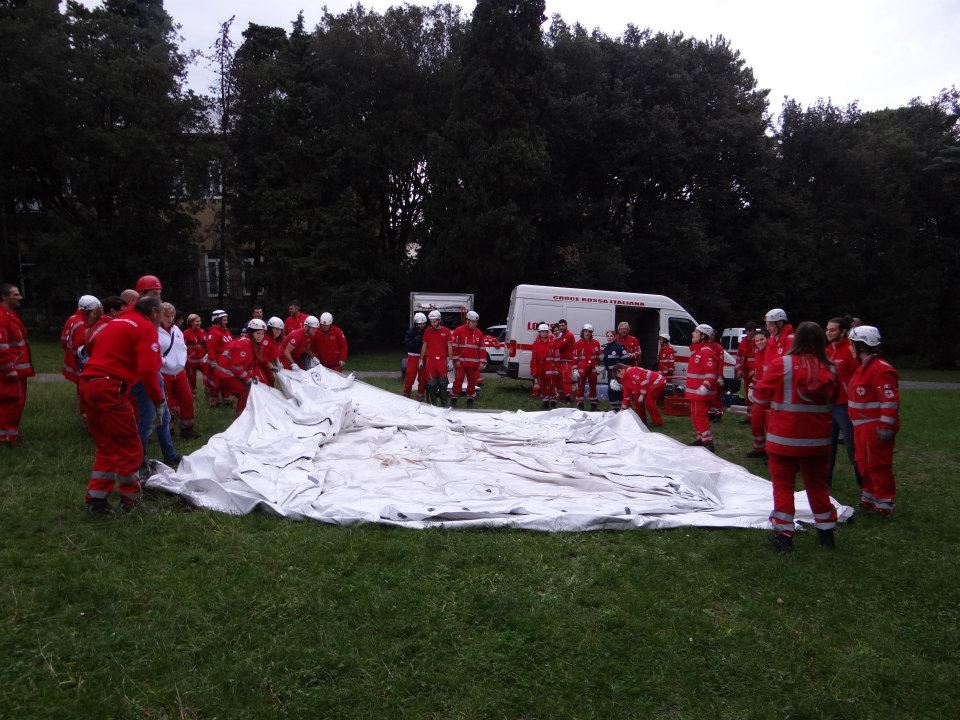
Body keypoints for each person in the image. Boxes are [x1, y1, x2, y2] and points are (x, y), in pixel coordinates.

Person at [753, 321, 838, 552]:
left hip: (784, 438)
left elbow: (761, 394)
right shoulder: (830, 367)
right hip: (818, 440)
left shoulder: (784, 364)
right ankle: (826, 532)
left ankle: (784, 536)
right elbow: (838, 399)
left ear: (797, 340)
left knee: (783, 486)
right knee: (818, 486)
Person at [79, 295, 164, 513]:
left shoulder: (115, 322)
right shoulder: (144, 327)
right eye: (161, 313)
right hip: (110, 387)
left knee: (106, 445)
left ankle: (96, 500)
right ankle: (131, 502)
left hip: (88, 384)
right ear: (154, 312)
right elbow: (148, 370)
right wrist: (159, 401)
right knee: (130, 446)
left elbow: (91, 345)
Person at [848, 325, 900, 516]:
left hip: (874, 426)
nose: (850, 348)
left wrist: (886, 426)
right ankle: (869, 497)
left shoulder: (880, 369)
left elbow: (889, 400)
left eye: (852, 344)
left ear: (861, 346)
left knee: (878, 464)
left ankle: (884, 504)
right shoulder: (864, 367)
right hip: (861, 426)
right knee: (863, 462)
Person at [825, 316, 863, 488]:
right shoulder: (827, 350)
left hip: (845, 405)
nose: (828, 332)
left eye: (832, 330)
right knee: (826, 447)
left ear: (843, 332)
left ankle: (865, 487)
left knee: (853, 448)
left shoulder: (850, 350)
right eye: (827, 329)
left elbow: (859, 377)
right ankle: (824, 485)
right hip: (828, 405)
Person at [159, 302, 198, 442]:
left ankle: (187, 428)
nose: (170, 319)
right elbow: (155, 352)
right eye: (166, 316)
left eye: (172, 315)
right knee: (167, 402)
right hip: (164, 372)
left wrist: (181, 362)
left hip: (179, 371)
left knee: (186, 398)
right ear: (159, 315)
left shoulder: (177, 330)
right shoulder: (154, 331)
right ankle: (168, 430)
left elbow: (182, 348)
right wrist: (166, 363)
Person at [0, 283, 34, 445]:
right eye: (15, 295)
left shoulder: (10, 315)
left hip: (17, 370)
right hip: (11, 371)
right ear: (4, 297)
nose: (20, 297)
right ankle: (7, 437)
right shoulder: (2, 317)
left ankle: (11, 433)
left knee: (15, 402)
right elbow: (1, 346)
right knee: (12, 402)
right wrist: (8, 368)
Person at [216, 318, 267, 415]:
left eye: (263, 333)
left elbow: (247, 364)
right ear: (251, 333)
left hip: (231, 370)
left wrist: (252, 376)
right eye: (258, 333)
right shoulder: (245, 344)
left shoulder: (253, 343)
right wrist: (248, 379)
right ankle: (241, 417)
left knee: (249, 388)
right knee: (244, 392)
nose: (261, 336)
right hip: (226, 372)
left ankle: (247, 413)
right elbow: (236, 366)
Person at [684, 324, 718, 451]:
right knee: (694, 414)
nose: (693, 334)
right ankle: (700, 438)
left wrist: (705, 386)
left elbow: (711, 372)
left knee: (700, 415)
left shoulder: (706, 351)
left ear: (703, 336)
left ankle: (708, 442)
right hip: (694, 392)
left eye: (696, 332)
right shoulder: (696, 351)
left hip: (701, 392)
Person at [449, 310, 486, 408]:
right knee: (458, 380)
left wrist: (482, 362)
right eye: (473, 322)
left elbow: (482, 349)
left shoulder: (479, 333)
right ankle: (453, 399)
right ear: (467, 321)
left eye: (476, 322)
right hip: (460, 363)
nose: (474, 324)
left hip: (473, 364)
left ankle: (470, 400)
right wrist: (456, 360)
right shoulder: (458, 331)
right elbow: (454, 347)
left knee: (472, 382)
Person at [61, 296, 99, 384]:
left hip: (72, 357)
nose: (96, 314)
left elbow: (63, 340)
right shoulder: (82, 324)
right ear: (86, 311)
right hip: (79, 361)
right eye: (94, 311)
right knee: (83, 382)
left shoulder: (73, 318)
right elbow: (81, 349)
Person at [419, 310, 453, 406]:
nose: (432, 323)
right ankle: (433, 403)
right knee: (430, 384)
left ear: (439, 320)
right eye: (431, 321)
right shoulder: (428, 331)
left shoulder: (446, 331)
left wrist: (450, 360)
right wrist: (421, 359)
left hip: (442, 360)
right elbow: (424, 346)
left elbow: (449, 346)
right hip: (430, 360)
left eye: (434, 321)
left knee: (443, 383)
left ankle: (444, 402)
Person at [746, 329, 770, 459]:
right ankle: (759, 448)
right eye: (757, 340)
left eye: (762, 339)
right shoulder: (758, 354)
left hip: (769, 394)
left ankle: (769, 451)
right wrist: (751, 386)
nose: (759, 342)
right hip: (759, 393)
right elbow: (757, 373)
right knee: (756, 422)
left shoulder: (771, 353)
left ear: (768, 339)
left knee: (769, 424)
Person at [205, 309, 233, 407]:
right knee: (215, 383)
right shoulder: (213, 332)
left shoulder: (226, 331)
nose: (226, 322)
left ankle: (227, 399)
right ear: (218, 320)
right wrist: (213, 361)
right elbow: (210, 348)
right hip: (216, 362)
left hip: (226, 362)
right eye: (224, 320)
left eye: (226, 320)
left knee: (226, 381)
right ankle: (214, 401)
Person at [530, 323, 560, 409]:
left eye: (545, 332)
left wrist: (557, 368)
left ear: (548, 332)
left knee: (551, 385)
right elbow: (534, 358)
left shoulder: (553, 342)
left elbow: (557, 356)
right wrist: (533, 370)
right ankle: (545, 402)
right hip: (540, 366)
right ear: (539, 333)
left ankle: (553, 402)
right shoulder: (536, 343)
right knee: (542, 385)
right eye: (542, 332)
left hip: (550, 366)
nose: (544, 333)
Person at [573, 324, 602, 411]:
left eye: (589, 332)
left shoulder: (596, 343)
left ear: (591, 333)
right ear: (582, 332)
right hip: (582, 367)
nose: (587, 333)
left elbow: (599, 357)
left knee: (593, 386)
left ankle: (593, 405)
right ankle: (580, 405)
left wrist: (600, 367)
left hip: (593, 367)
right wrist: (575, 369)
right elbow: (575, 358)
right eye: (585, 331)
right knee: (581, 386)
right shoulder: (577, 344)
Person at [403, 313, 428, 400]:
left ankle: (420, 393)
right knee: (410, 376)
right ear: (416, 323)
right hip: (413, 356)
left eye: (423, 324)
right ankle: (406, 393)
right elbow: (407, 344)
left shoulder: (427, 331)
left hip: (424, 356)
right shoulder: (410, 332)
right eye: (420, 324)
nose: (422, 325)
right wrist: (415, 340)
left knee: (422, 377)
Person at [601, 330, 627, 411]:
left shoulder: (619, 346)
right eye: (608, 336)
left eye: (611, 336)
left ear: (614, 337)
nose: (609, 338)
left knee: (619, 390)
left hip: (618, 374)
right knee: (611, 390)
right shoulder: (606, 348)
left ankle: (623, 409)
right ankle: (615, 409)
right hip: (610, 374)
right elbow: (604, 360)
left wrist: (621, 373)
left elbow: (625, 360)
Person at [182, 314, 207, 392]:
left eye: (200, 321)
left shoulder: (202, 331)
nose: (199, 323)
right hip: (191, 361)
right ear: (191, 322)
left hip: (203, 359)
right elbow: (182, 346)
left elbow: (206, 344)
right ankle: (193, 393)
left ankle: (208, 391)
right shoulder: (186, 333)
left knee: (207, 376)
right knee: (192, 379)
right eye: (196, 321)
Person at [553, 319, 576, 402]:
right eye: (560, 326)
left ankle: (568, 398)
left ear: (566, 326)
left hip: (567, 361)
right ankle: (563, 396)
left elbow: (559, 347)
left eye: (563, 325)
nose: (561, 327)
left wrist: (555, 341)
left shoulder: (568, 335)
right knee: (559, 380)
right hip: (562, 361)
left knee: (566, 380)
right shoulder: (562, 335)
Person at [735, 322, 758, 405]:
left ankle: (754, 413)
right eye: (747, 331)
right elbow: (738, 358)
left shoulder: (758, 341)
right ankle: (749, 416)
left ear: (754, 332)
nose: (749, 333)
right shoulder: (743, 342)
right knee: (748, 392)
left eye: (751, 331)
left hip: (756, 372)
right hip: (746, 372)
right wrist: (738, 369)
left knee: (756, 393)